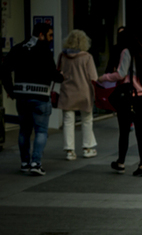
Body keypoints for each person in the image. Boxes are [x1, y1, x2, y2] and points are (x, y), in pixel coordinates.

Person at [1, 21, 63, 175]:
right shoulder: (44, 50)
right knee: (41, 131)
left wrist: (11, 89)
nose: (51, 39)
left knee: (24, 131)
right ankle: (36, 163)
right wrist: (61, 77)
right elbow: (52, 73)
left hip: (22, 96)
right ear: (41, 35)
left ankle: (24, 162)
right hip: (40, 96)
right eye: (49, 35)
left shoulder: (18, 48)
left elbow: (4, 70)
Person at [99, 26, 142, 177]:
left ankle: (120, 162)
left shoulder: (126, 52)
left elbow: (121, 74)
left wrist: (103, 78)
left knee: (124, 131)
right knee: (141, 133)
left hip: (130, 97)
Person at [58, 29, 99, 161]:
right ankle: (87, 148)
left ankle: (69, 151)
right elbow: (94, 77)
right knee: (87, 120)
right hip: (84, 92)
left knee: (68, 121)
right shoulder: (87, 57)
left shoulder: (62, 56)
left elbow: (58, 72)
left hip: (67, 93)